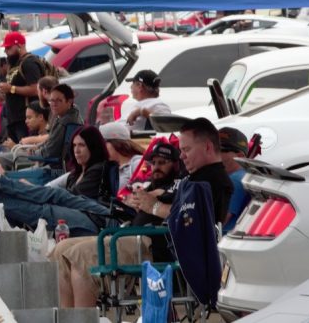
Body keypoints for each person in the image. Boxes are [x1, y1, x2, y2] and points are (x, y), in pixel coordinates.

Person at [54, 118, 233, 308]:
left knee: (79, 256)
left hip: (154, 245)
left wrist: (153, 207)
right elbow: (172, 201)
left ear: (207, 147)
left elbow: (193, 219)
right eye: (181, 151)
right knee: (62, 250)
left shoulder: (212, 181)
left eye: (186, 150)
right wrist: (145, 199)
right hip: (135, 235)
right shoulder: (191, 177)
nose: (181, 156)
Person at [52, 141, 183, 308]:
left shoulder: (178, 184)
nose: (156, 167)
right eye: (154, 163)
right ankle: (67, 318)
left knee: (79, 256)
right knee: (61, 249)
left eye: (163, 163)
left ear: (175, 164)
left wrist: (148, 200)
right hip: (124, 232)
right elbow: (135, 201)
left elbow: (168, 204)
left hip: (148, 243)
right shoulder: (149, 185)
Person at [0, 126, 116, 236]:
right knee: (48, 198)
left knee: (46, 206)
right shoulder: (75, 174)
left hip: (97, 218)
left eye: (82, 145)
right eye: (74, 145)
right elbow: (51, 188)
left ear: (93, 147)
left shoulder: (99, 169)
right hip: (82, 212)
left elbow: (68, 197)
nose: (76, 150)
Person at [0, 84, 82, 173]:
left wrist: (32, 153)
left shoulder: (64, 122)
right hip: (46, 160)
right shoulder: (70, 115)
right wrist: (36, 147)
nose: (54, 104)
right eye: (52, 100)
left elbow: (50, 151)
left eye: (59, 101)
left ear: (69, 102)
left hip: (50, 167)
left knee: (1, 163)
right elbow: (50, 142)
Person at [0, 31, 44, 143]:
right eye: (5, 48)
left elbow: (35, 89)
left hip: (24, 119)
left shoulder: (29, 62)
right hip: (14, 118)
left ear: (19, 46)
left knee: (23, 150)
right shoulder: (15, 64)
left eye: (8, 48)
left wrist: (11, 89)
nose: (6, 51)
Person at [219, 127, 250, 233]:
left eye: (221, 150)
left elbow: (218, 222)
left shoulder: (235, 180)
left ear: (240, 156)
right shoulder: (243, 176)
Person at [99, 122, 146, 191]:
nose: (100, 148)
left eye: (103, 143)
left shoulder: (137, 163)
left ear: (116, 143)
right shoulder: (109, 167)